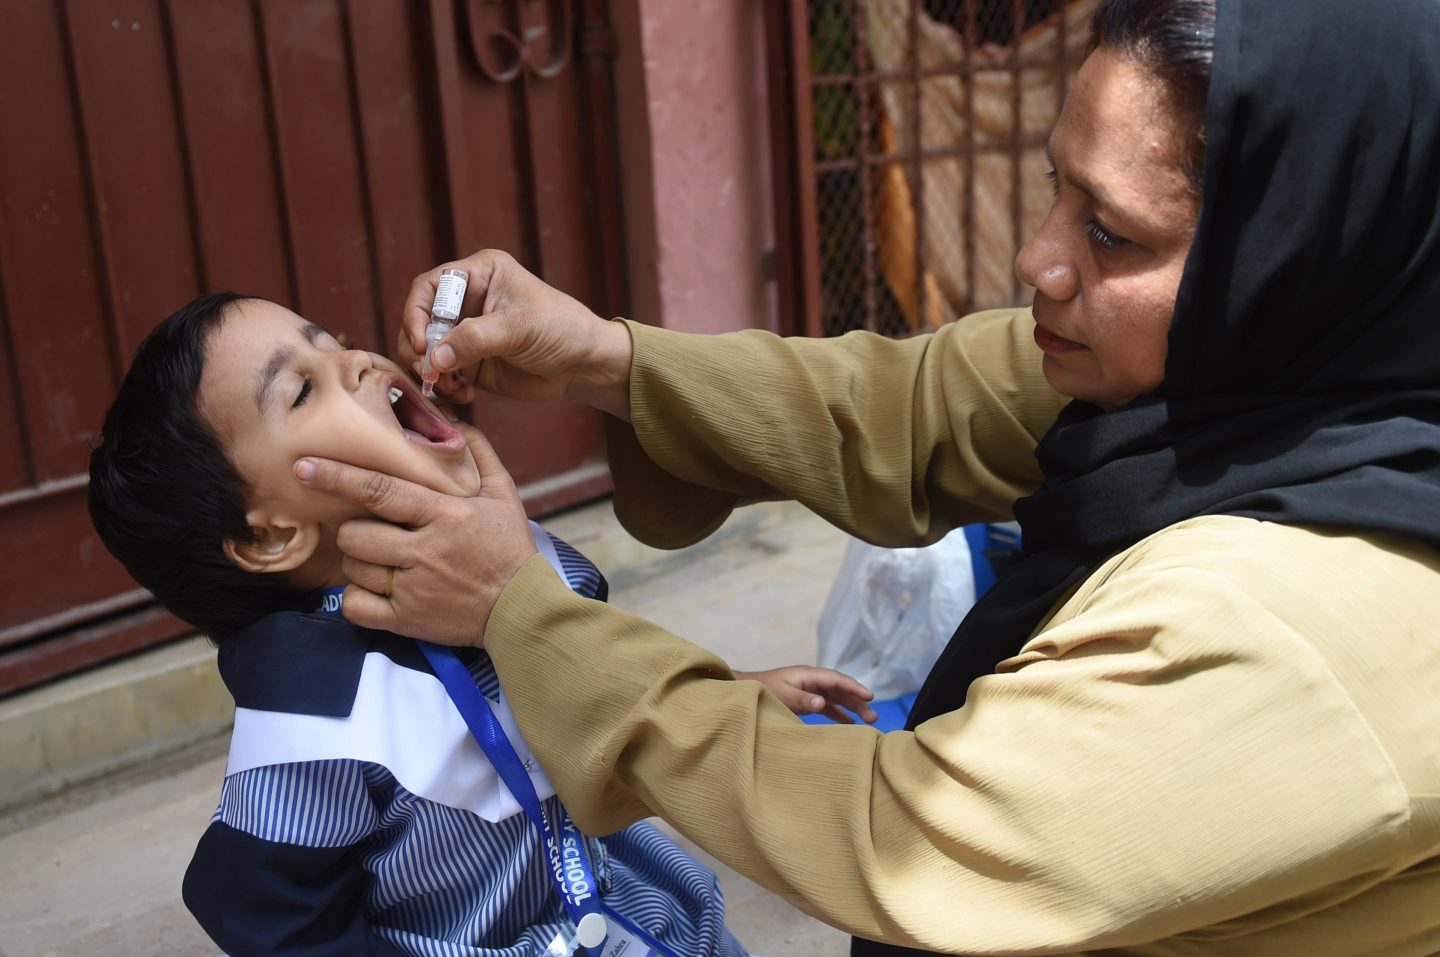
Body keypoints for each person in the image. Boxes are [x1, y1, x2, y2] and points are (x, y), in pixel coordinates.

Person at [294, 0, 1440, 953]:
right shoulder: (1259, 369)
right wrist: (607, 356)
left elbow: (904, 835)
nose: (1037, 257)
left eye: (1113, 234)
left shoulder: (1287, 633)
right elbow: (913, 403)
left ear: (1301, 250)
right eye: (1056, 187)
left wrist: (528, 619)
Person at [86, 293, 877, 957]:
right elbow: (267, 913)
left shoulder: (508, 551)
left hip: (661, 923)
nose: (359, 363)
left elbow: (596, 678)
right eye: (301, 390)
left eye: (341, 346)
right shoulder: (313, 719)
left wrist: (729, 690)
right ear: (269, 535)